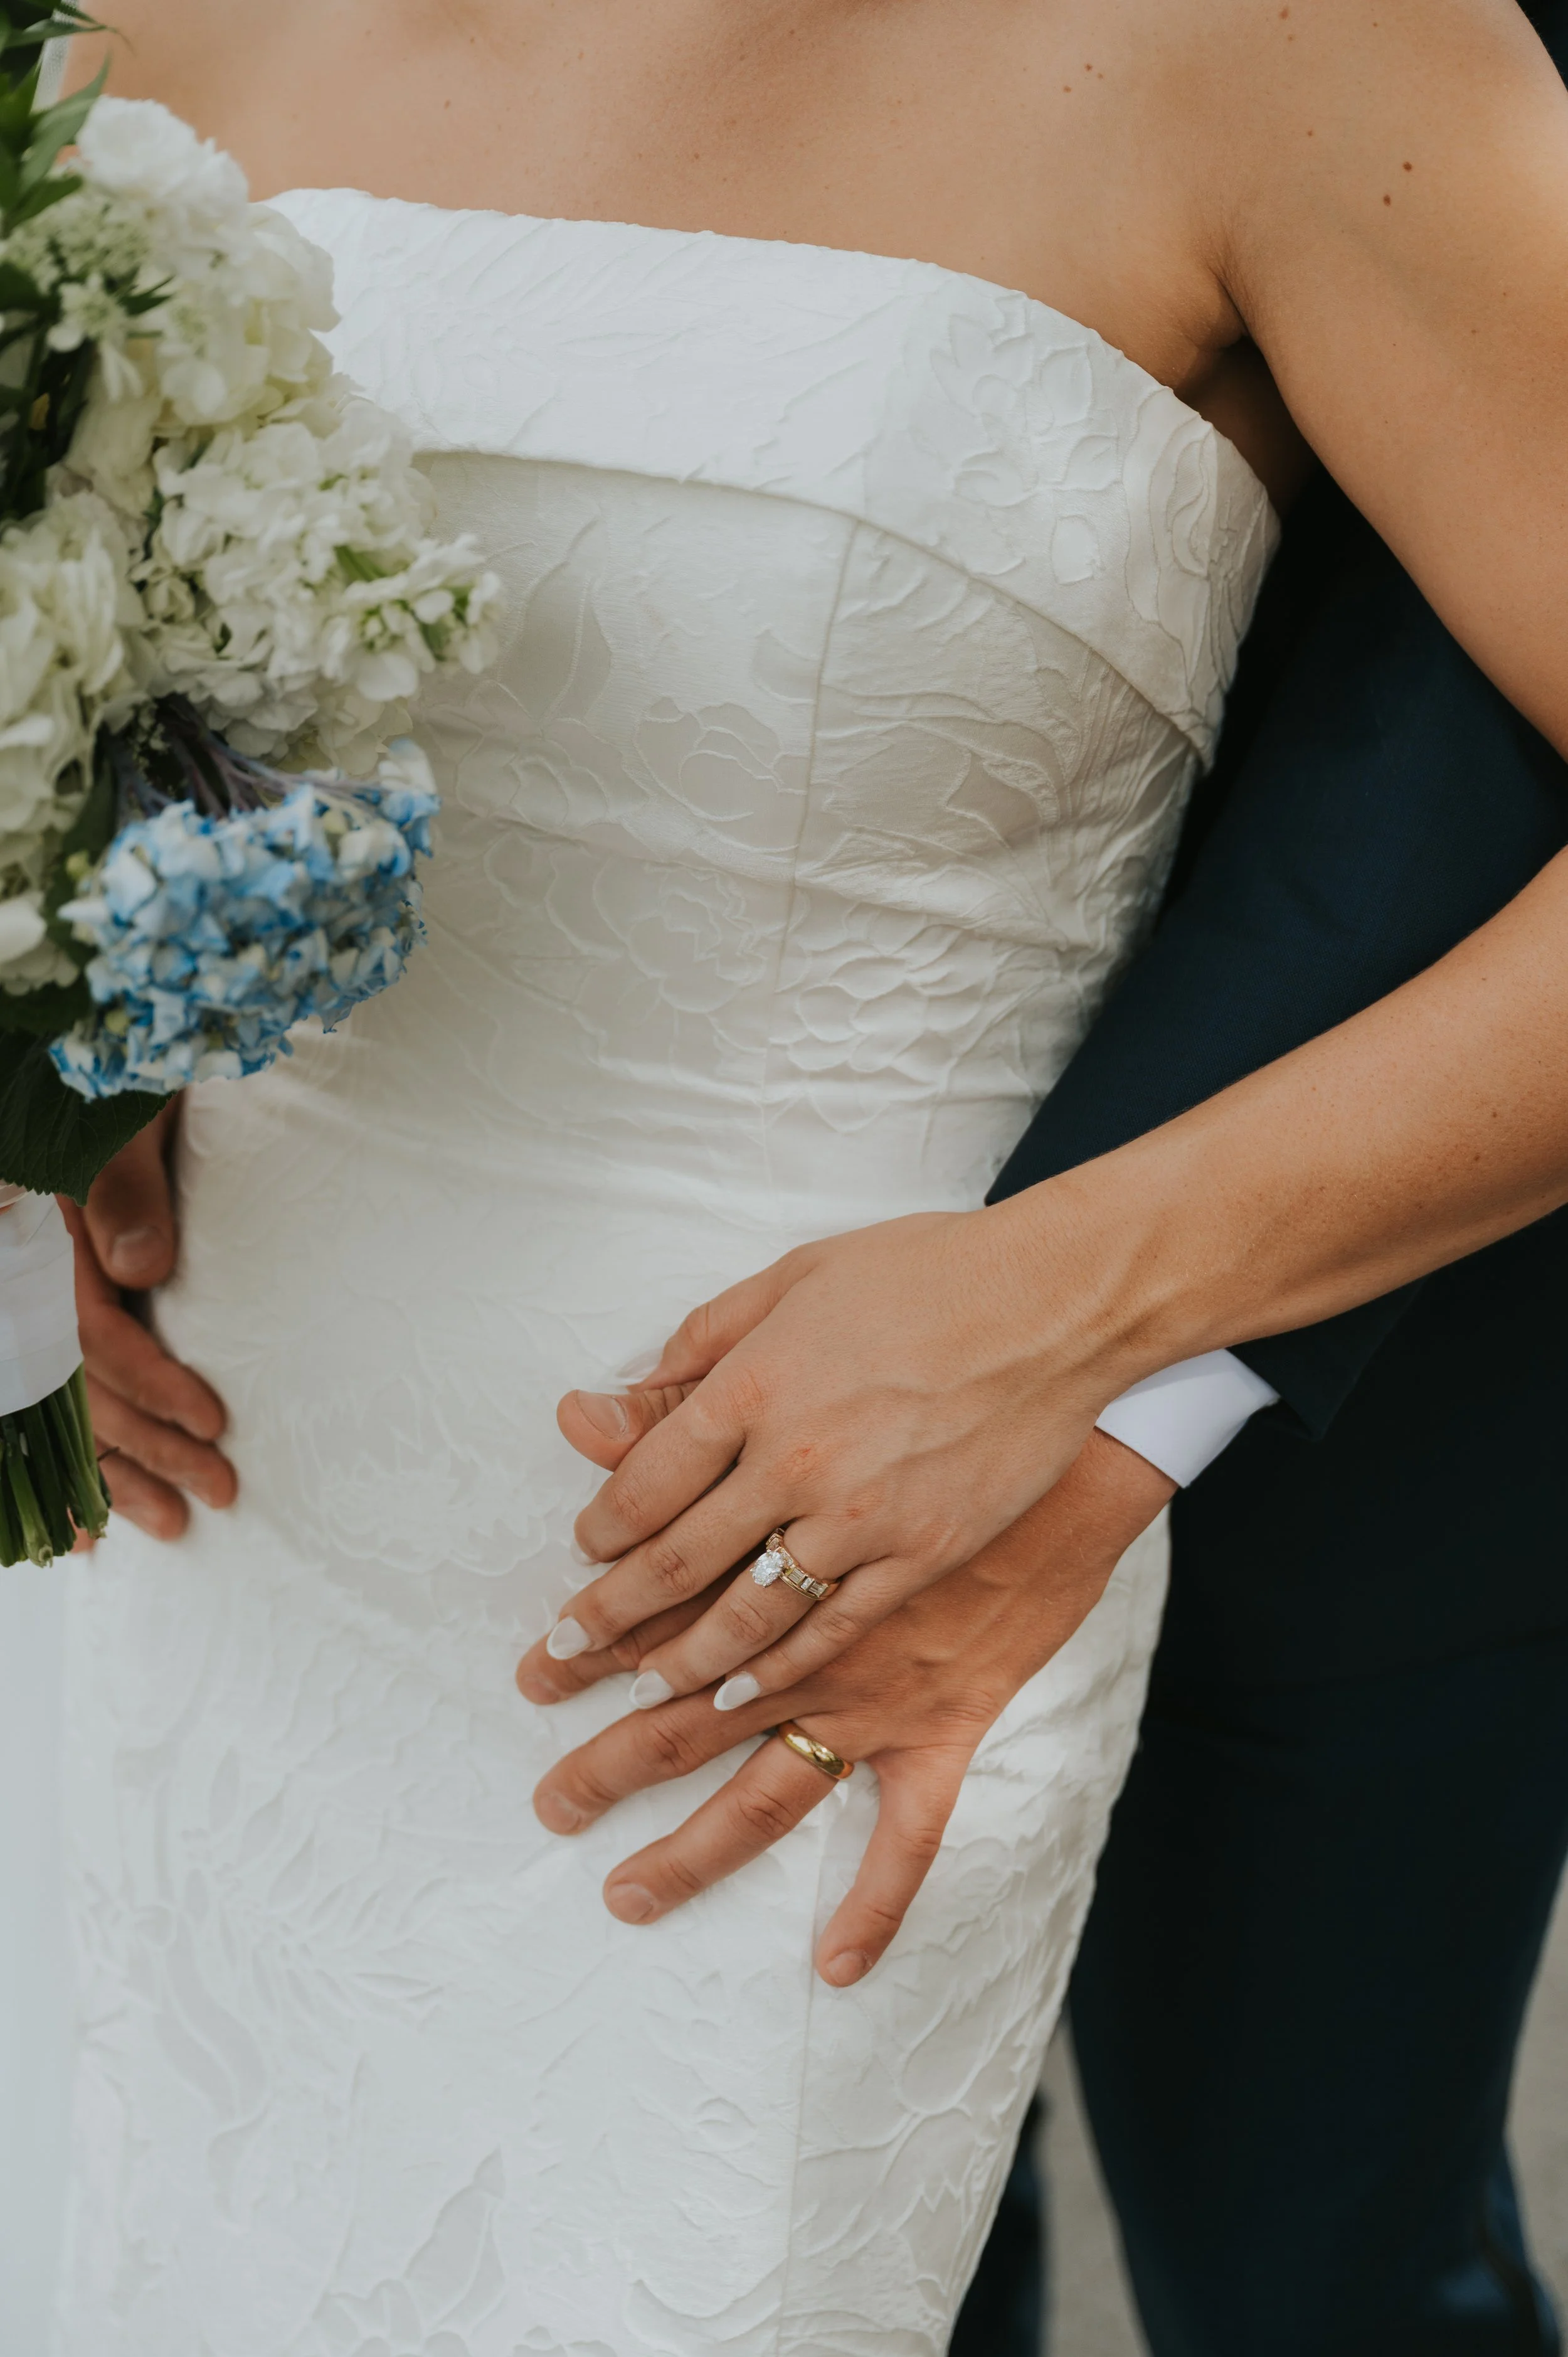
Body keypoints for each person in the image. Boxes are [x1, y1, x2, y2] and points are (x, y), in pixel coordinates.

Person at [34, 2, 1568, 2350]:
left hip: (823, 1573)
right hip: (169, 1546)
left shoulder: (1308, 44)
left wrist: (1079, 1314)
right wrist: (37, 1105)